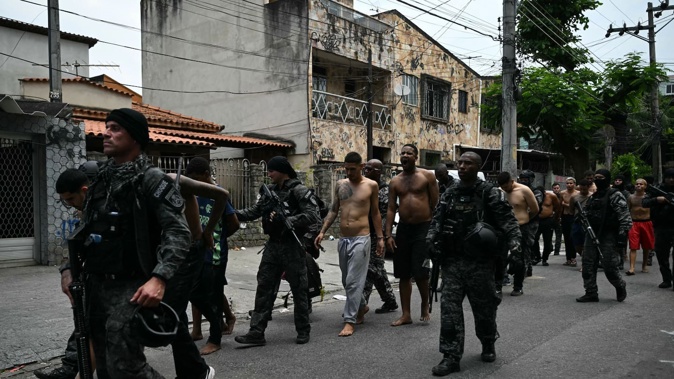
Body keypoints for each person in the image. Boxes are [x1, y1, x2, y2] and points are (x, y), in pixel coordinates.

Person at [79, 108, 214, 378]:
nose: (106, 133)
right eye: (107, 127)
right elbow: (85, 228)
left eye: (116, 128)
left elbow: (179, 232)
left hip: (133, 284)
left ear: (136, 138)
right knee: (103, 366)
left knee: (125, 368)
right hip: (96, 284)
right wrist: (67, 269)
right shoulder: (100, 180)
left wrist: (159, 278)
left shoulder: (151, 180)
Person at [426, 152, 521, 376]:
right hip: (453, 261)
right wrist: (430, 239)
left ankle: (488, 342)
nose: (462, 166)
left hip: (481, 263)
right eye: (459, 163)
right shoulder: (450, 192)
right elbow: (437, 220)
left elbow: (508, 221)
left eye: (467, 163)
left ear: (477, 167)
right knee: (450, 310)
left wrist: (516, 246)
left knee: (485, 310)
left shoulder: (489, 192)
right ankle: (450, 356)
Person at [234, 156, 319, 346]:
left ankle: (303, 330)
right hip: (273, 245)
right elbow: (255, 211)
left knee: (299, 290)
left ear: (282, 170)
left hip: (292, 246)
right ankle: (256, 332)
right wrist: (232, 212)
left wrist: (290, 220)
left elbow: (313, 215)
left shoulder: (299, 190)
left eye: (272, 170)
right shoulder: (269, 192)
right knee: (264, 286)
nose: (269, 174)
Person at [36, 166, 98, 379]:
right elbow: (71, 243)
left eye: (71, 198)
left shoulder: (107, 207)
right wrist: (66, 270)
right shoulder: (83, 210)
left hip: (122, 282)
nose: (70, 204)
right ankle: (71, 369)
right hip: (93, 278)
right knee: (85, 327)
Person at [315, 152, 385, 336]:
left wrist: (380, 238)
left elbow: (375, 213)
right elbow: (333, 210)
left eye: (352, 169)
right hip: (343, 238)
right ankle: (361, 305)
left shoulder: (371, 185)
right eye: (346, 169)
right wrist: (323, 231)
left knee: (353, 281)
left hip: (361, 238)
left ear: (361, 167)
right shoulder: (341, 185)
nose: (348, 172)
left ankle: (349, 320)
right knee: (347, 280)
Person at [184, 157, 240, 355]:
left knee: (213, 295)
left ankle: (215, 338)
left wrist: (218, 237)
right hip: (195, 254)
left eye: (198, 179)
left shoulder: (217, 194)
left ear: (207, 175)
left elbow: (233, 223)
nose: (196, 183)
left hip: (214, 254)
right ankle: (213, 325)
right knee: (194, 291)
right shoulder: (192, 194)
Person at [384, 144, 439, 326]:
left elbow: (435, 204)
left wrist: (435, 230)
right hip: (404, 229)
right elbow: (391, 208)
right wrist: (387, 235)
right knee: (403, 273)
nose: (405, 156)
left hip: (423, 228)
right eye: (402, 153)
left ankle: (424, 303)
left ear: (416, 157)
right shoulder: (395, 181)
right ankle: (406, 314)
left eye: (409, 153)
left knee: (421, 272)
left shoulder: (427, 176)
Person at [576, 169, 631, 303]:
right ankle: (591, 292)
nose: (597, 180)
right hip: (592, 234)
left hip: (608, 235)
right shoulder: (594, 196)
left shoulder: (614, 195)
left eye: (601, 177)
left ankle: (619, 285)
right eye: (596, 177)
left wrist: (622, 237)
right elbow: (586, 213)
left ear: (607, 179)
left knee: (609, 265)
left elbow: (625, 218)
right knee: (588, 264)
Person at [362, 158, 398, 314]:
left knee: (371, 269)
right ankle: (390, 301)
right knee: (377, 269)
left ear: (378, 172)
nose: (365, 171)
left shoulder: (384, 190)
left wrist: (381, 236)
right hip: (362, 234)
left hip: (377, 236)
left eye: (369, 169)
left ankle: (360, 305)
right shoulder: (363, 187)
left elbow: (385, 215)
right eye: (365, 168)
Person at [497, 172, 539, 296]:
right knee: (499, 258)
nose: (505, 189)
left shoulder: (524, 190)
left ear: (512, 181)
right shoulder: (499, 192)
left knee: (518, 259)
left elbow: (535, 209)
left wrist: (524, 219)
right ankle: (497, 285)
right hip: (503, 228)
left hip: (521, 227)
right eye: (503, 187)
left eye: (507, 186)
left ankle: (517, 286)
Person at [642, 168, 674, 289]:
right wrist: (657, 200)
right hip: (661, 226)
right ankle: (667, 279)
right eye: (668, 177)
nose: (671, 180)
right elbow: (644, 202)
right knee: (662, 254)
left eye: (673, 178)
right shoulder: (658, 189)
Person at [626, 179, 654, 275]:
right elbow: (627, 210)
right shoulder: (631, 197)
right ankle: (632, 268)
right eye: (637, 184)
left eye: (641, 184)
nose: (638, 185)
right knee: (633, 246)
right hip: (634, 223)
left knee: (646, 246)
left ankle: (644, 265)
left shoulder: (649, 197)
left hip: (646, 222)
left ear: (645, 186)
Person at [532, 186, 561, 266]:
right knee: (534, 239)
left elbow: (558, 207)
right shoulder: (534, 196)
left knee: (547, 240)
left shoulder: (551, 196)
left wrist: (556, 218)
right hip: (537, 220)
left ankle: (545, 258)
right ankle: (537, 257)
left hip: (548, 220)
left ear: (544, 192)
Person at [569, 180, 592, 258]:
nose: (582, 191)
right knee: (576, 242)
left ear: (588, 187)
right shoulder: (574, 197)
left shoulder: (592, 196)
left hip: (589, 222)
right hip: (577, 221)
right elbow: (571, 209)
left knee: (588, 242)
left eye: (584, 189)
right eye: (581, 189)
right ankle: (584, 257)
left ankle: (586, 260)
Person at [560, 177, 578, 266]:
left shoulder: (577, 194)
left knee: (572, 237)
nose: (569, 185)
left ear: (574, 184)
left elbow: (576, 206)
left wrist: (566, 204)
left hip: (574, 217)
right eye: (567, 183)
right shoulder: (562, 193)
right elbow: (559, 206)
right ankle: (568, 258)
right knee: (566, 238)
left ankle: (573, 257)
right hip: (565, 217)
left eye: (571, 183)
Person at [552, 182, 563, 256]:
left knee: (558, 236)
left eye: (557, 188)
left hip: (559, 218)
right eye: (555, 188)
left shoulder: (562, 196)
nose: (556, 190)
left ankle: (556, 251)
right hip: (551, 218)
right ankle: (550, 248)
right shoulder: (550, 196)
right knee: (549, 235)